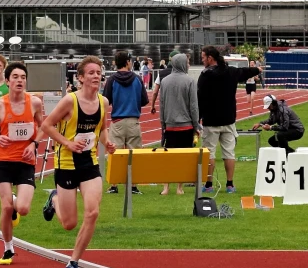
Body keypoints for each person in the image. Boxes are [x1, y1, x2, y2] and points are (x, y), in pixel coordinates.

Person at [41, 56, 115, 268]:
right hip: (66, 163)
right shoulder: (69, 101)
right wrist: (67, 143)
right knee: (69, 223)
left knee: (92, 212)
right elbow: (46, 125)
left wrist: (107, 142)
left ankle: (73, 262)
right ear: (81, 78)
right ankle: (55, 199)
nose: (96, 76)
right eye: (91, 73)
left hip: (89, 163)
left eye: (98, 72)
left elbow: (101, 129)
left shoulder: (103, 102)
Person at [0, 62, 43, 265]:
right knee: (6, 207)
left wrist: (33, 144)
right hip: (3, 161)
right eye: (15, 77)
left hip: (25, 162)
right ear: (7, 81)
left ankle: (15, 200)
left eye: (23, 77)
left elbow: (45, 127)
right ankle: (8, 248)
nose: (19, 80)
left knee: (23, 209)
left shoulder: (34, 103)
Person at [197, 45, 262, 193]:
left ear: (210, 58)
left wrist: (197, 120)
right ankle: (230, 184)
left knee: (209, 152)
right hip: (228, 119)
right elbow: (245, 72)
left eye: (203, 57)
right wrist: (257, 69)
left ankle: (208, 185)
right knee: (229, 153)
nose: (202, 60)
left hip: (211, 120)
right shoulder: (231, 71)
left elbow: (200, 99)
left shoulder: (205, 75)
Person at [103, 51, 149, 194]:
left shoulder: (112, 80)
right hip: (133, 120)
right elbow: (144, 100)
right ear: (128, 62)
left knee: (114, 153)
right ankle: (133, 185)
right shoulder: (137, 79)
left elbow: (105, 100)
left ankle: (114, 185)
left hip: (117, 120)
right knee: (134, 154)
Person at [158, 53, 201, 195]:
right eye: (187, 62)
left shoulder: (164, 81)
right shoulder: (189, 81)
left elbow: (162, 105)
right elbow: (194, 106)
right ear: (182, 64)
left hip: (170, 125)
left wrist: (163, 124)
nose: (188, 65)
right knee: (183, 158)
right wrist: (196, 125)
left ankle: (165, 187)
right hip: (186, 125)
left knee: (168, 158)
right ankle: (179, 187)